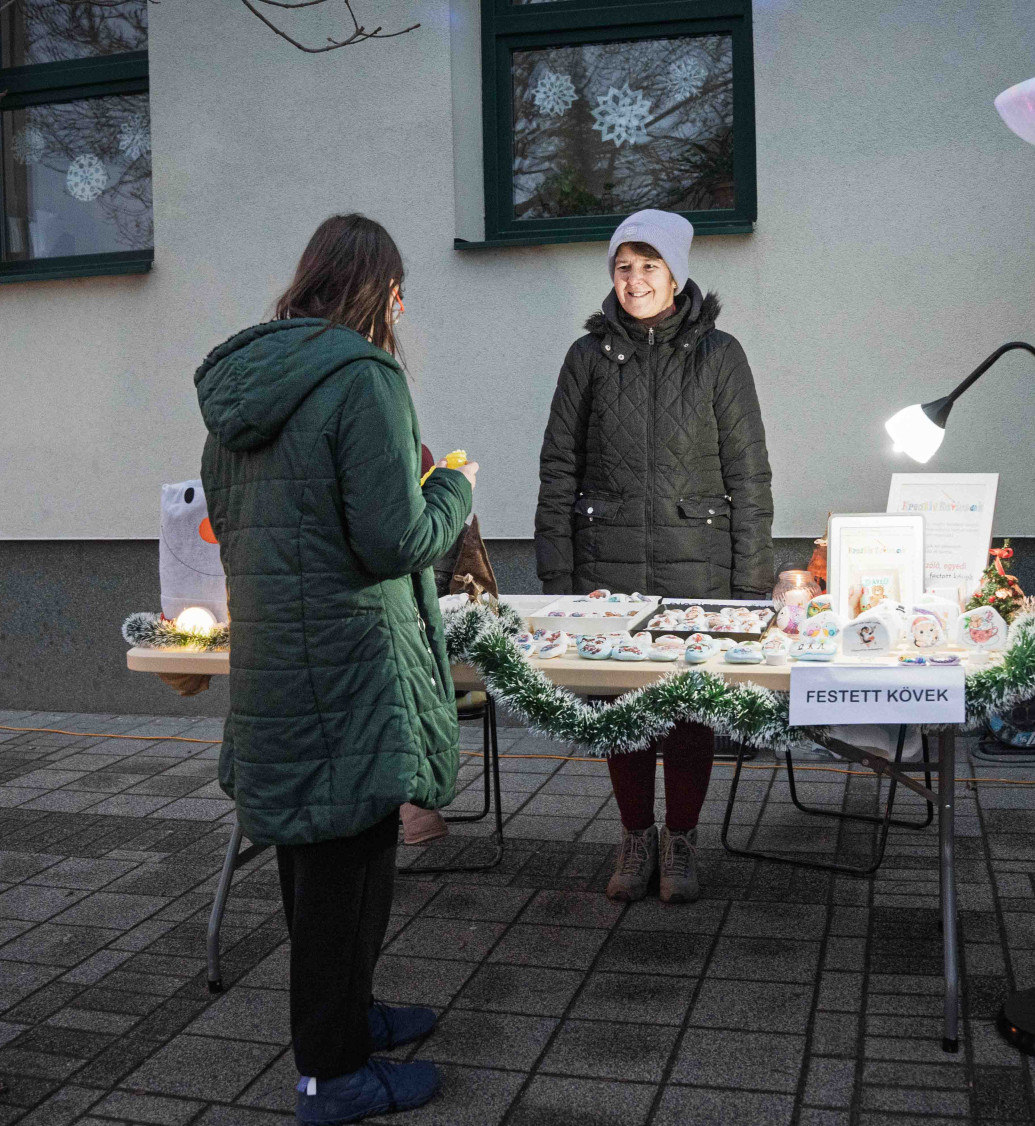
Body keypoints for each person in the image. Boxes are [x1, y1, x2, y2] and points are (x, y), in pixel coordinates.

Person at [196, 214, 477, 1124]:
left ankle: (349, 1017)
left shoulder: (243, 388)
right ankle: (333, 1073)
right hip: (351, 663)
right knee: (345, 871)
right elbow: (394, 540)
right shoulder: (365, 378)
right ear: (382, 293)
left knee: (317, 862)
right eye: (400, 294)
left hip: (276, 659)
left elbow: (246, 528)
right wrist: (453, 489)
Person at [534, 208, 775, 904]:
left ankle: (682, 840)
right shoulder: (586, 357)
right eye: (623, 267)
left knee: (689, 711)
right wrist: (557, 577)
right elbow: (558, 469)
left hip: (697, 563)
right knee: (624, 711)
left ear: (676, 274)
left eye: (649, 266)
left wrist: (751, 584)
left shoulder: (719, 354)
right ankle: (635, 836)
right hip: (605, 566)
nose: (635, 280)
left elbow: (749, 475)